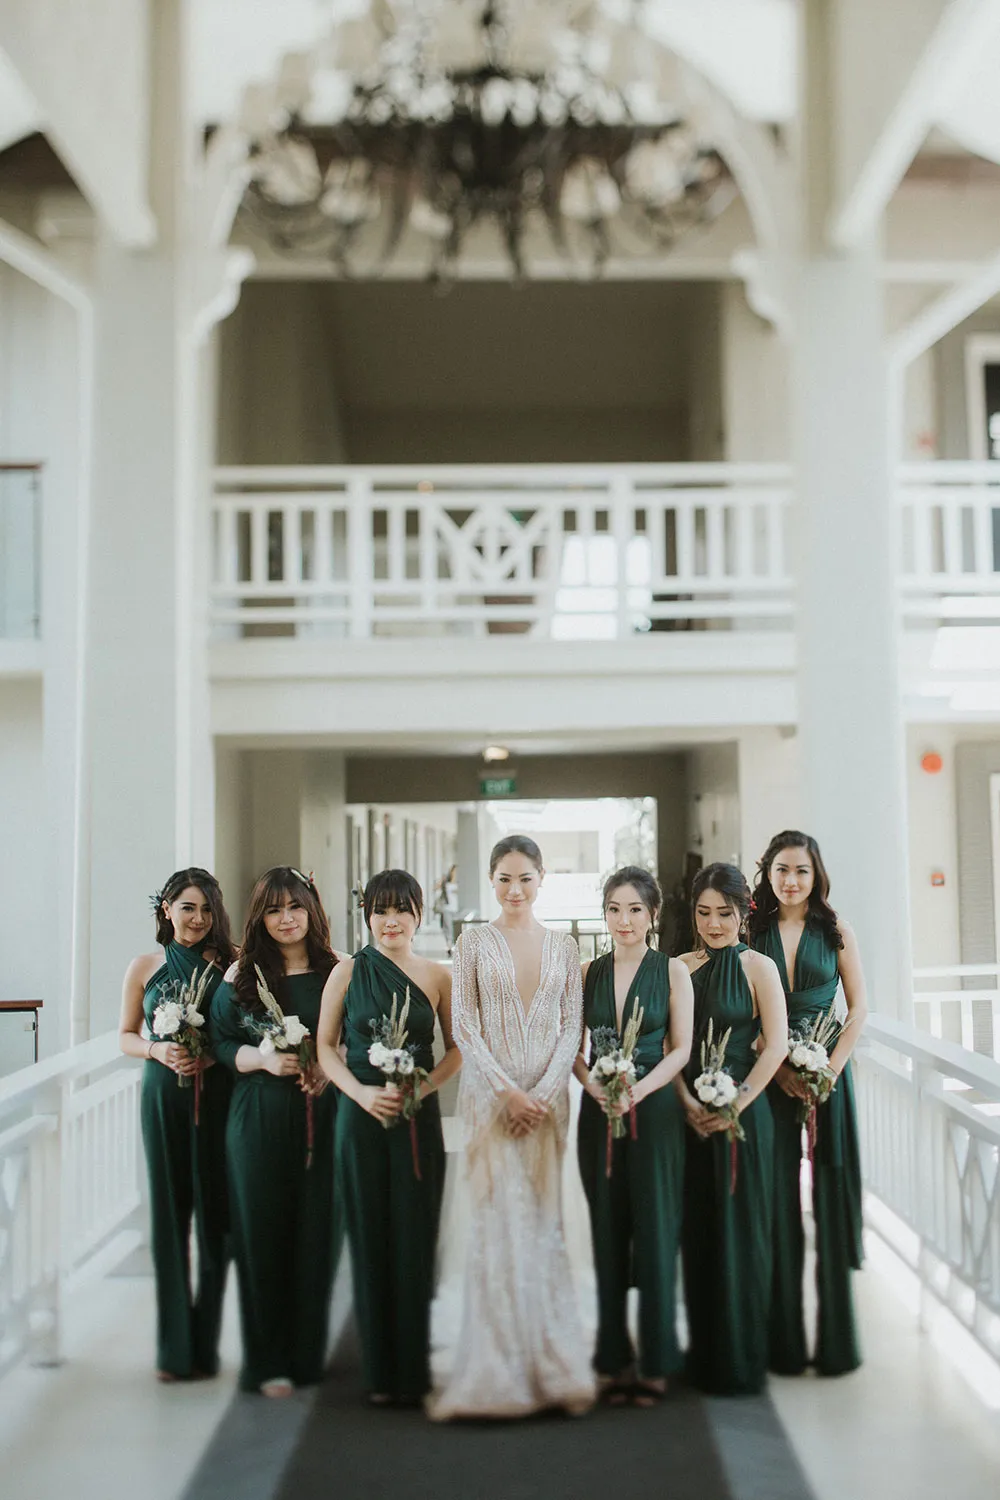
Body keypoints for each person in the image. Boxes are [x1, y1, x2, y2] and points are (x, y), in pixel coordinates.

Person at [429, 834, 595, 1420]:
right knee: (496, 1228)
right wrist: (507, 1093)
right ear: (492, 879)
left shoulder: (563, 947)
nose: (514, 889)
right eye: (504, 878)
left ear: (542, 879)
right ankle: (494, 1366)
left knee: (543, 1226)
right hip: (489, 1104)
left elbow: (572, 1029)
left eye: (525, 878)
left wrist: (544, 1096)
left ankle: (551, 1361)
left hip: (548, 1110)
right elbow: (465, 1027)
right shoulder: (473, 941)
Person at [318, 869, 458, 1406]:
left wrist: (423, 1088)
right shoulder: (348, 972)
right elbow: (326, 1047)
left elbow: (457, 1049)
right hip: (360, 1116)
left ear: (419, 915)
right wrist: (359, 1093)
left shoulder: (437, 975)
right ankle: (379, 1370)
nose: (391, 920)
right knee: (371, 1237)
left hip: (416, 1120)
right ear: (368, 916)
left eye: (402, 910)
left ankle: (412, 1366)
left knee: (415, 1235)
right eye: (381, 910)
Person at [207, 867, 339, 1396]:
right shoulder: (240, 973)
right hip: (258, 1114)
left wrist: (332, 1064)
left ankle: (307, 1355)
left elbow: (353, 1033)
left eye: (295, 908)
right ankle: (265, 1361)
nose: (286, 920)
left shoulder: (338, 970)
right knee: (261, 1234)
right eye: (274, 910)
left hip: (322, 1115)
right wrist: (260, 1058)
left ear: (311, 911)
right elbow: (218, 1042)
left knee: (318, 1235)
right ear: (260, 916)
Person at [750, 830, 867, 1376]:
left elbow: (859, 1008)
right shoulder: (753, 930)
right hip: (770, 1076)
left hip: (828, 1077)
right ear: (768, 875)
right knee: (777, 1202)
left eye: (800, 870)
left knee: (829, 1198)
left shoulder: (835, 929)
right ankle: (783, 1345)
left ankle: (838, 1344)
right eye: (781, 870)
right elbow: (745, 1013)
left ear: (815, 873)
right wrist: (778, 1072)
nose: (791, 881)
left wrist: (828, 1071)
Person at [575, 866, 694, 1405]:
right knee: (606, 1231)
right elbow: (570, 1049)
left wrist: (638, 1091)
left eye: (635, 910)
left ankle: (656, 1358)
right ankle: (611, 1356)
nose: (624, 920)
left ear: (653, 916)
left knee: (655, 1229)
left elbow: (681, 1050)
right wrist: (594, 1087)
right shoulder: (586, 973)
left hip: (655, 1109)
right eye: (615, 909)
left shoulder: (672, 973)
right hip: (599, 1110)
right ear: (604, 913)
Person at [675, 862, 787, 1395]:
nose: (714, 924)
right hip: (690, 1117)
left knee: (742, 1233)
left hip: (744, 1115)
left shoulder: (759, 967)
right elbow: (664, 1046)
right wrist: (684, 1102)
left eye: (725, 913)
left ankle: (743, 1359)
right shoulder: (676, 966)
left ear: (744, 914)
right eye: (704, 913)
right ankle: (705, 1356)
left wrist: (738, 1103)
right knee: (698, 1233)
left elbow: (779, 1045)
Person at [118, 867, 235, 1382]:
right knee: (168, 1217)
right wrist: (155, 1049)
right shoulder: (144, 965)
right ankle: (174, 1349)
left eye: (207, 910)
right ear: (166, 908)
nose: (198, 919)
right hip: (162, 1094)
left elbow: (244, 1029)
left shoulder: (231, 965)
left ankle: (205, 1345)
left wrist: (212, 1055)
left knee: (216, 1219)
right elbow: (123, 1035)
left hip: (218, 1097)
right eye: (188, 907)